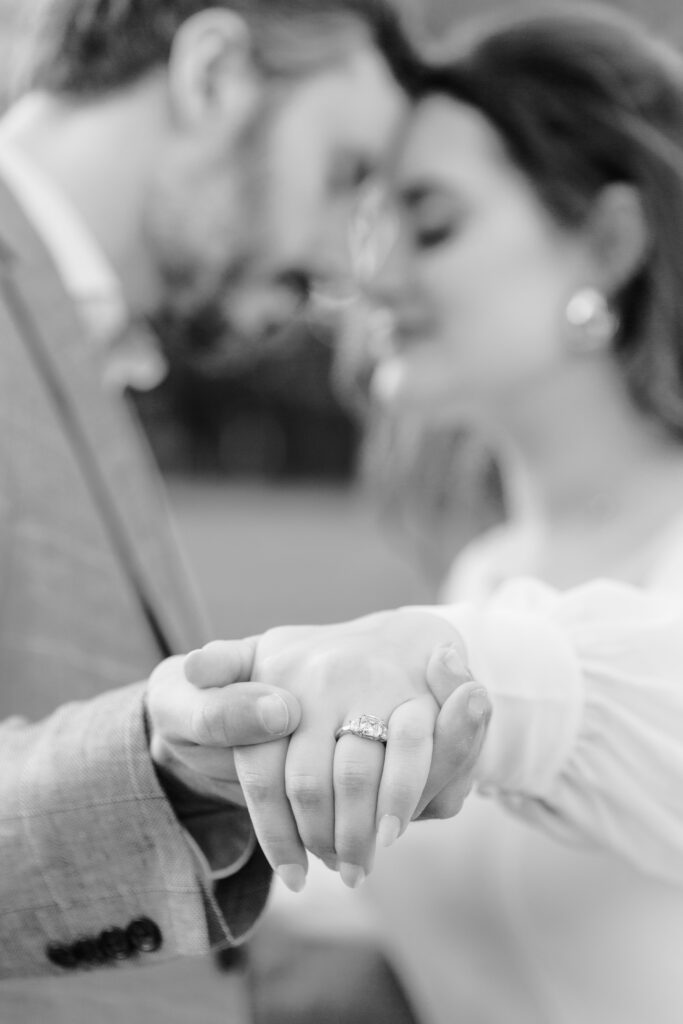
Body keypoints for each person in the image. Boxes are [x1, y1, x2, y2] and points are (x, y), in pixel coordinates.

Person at [184, 6, 683, 1024]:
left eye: (432, 220)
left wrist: (437, 656)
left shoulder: (462, 625)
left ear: (607, 240)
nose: (370, 273)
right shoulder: (489, 575)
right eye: (364, 215)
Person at [0, 0, 489, 1019]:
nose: (345, 272)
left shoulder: (74, 338)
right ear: (213, 74)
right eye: (344, 171)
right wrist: (159, 765)